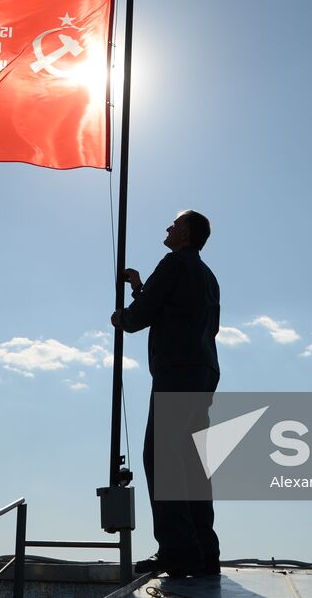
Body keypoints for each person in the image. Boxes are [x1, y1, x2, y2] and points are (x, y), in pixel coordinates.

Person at [111, 210, 221, 578]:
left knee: (161, 455)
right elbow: (181, 314)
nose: (168, 228)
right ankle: (204, 552)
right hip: (203, 372)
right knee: (191, 463)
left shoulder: (173, 264)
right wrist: (140, 288)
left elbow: (140, 316)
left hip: (176, 372)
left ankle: (178, 552)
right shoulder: (208, 277)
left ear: (186, 234)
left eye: (174, 225)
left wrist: (121, 317)